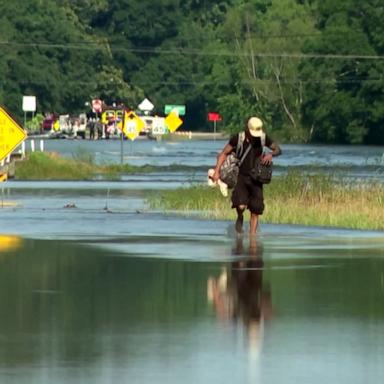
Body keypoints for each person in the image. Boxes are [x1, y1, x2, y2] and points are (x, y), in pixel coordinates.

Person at [212, 116, 281, 235]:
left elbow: (278, 149)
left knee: (256, 210)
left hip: (257, 178)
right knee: (241, 206)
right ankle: (240, 217)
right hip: (241, 176)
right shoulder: (237, 138)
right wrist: (217, 171)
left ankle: (252, 237)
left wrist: (271, 154)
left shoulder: (263, 138)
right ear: (248, 129)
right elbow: (224, 153)